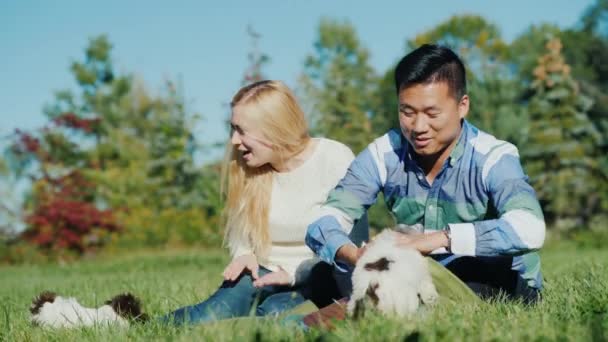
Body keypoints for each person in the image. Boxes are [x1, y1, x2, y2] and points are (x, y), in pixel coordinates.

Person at [305, 44, 546, 311]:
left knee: (459, 275)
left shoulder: (494, 157)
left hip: (492, 275)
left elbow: (530, 228)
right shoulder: (383, 154)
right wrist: (356, 255)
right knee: (323, 276)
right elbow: (322, 221)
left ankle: (350, 314)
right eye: (407, 112)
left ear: (462, 106)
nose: (418, 127)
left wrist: (437, 239)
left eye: (432, 113)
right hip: (416, 272)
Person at [161, 80, 362, 325]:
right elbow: (240, 231)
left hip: (320, 277)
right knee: (206, 318)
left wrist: (294, 276)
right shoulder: (248, 168)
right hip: (263, 271)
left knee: (272, 318)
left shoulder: (334, 158)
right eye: (232, 129)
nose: (234, 140)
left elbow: (350, 242)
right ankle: (130, 318)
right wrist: (244, 254)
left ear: (274, 128)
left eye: (242, 130)